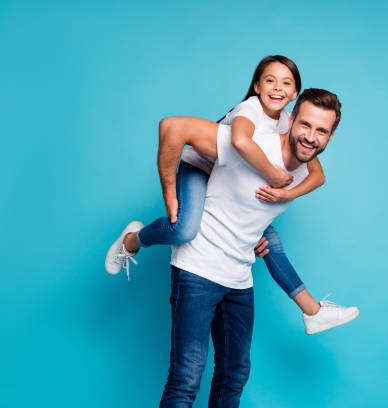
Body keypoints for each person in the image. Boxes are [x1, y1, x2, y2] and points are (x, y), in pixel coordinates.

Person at [105, 56, 358, 333]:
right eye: (270, 80)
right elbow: (239, 142)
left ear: (294, 94)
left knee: (270, 245)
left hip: (233, 185)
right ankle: (133, 240)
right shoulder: (249, 111)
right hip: (200, 168)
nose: (277, 88)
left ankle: (313, 311)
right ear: (257, 86)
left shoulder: (292, 123)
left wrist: (288, 194)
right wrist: (273, 176)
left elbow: (318, 175)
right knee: (184, 228)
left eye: (286, 83)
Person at [156, 89, 355, 406]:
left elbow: (317, 176)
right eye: (305, 125)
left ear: (330, 137)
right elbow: (173, 128)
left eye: (322, 131)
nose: (311, 137)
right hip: (198, 269)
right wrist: (170, 194)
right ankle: (134, 240)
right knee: (186, 377)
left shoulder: (307, 169)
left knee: (234, 376)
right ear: (289, 121)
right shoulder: (247, 145)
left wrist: (275, 210)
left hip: (239, 279)